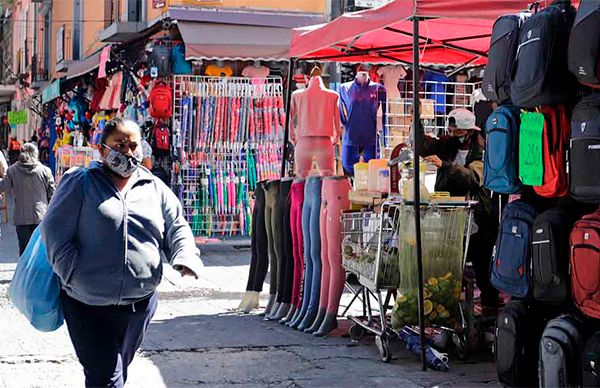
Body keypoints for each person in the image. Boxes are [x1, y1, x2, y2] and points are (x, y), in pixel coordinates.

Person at [41, 118, 202, 388]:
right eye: (120, 144)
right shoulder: (80, 182)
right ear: (103, 150)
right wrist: (72, 272)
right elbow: (54, 231)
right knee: (106, 376)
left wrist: (184, 256)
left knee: (116, 371)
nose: (128, 152)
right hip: (87, 305)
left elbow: (176, 226)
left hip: (138, 306)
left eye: (133, 145)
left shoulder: (154, 187)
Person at [420, 108, 499, 313]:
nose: (454, 135)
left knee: (481, 263)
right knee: (450, 262)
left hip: (479, 215)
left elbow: (473, 178)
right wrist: (416, 122)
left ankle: (490, 304)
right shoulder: (446, 144)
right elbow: (425, 146)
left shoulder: (482, 150)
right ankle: (451, 306)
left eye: (458, 132)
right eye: (452, 131)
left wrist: (445, 165)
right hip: (451, 214)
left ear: (470, 132)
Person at [0, 142, 55, 255]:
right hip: (40, 216)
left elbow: (3, 187)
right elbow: (53, 195)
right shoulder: (45, 171)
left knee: (24, 251)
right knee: (39, 251)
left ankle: (24, 271)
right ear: (36, 154)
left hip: (21, 217)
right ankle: (37, 272)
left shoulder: (12, 170)